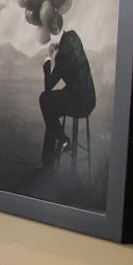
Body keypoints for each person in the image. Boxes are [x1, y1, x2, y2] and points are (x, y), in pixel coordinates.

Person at [39, 27, 96, 167]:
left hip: (80, 102)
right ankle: (50, 157)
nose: (49, 42)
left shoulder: (62, 55)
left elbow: (48, 85)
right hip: (88, 97)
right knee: (50, 112)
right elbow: (75, 72)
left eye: (49, 39)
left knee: (44, 99)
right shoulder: (72, 35)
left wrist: (48, 58)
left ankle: (61, 143)